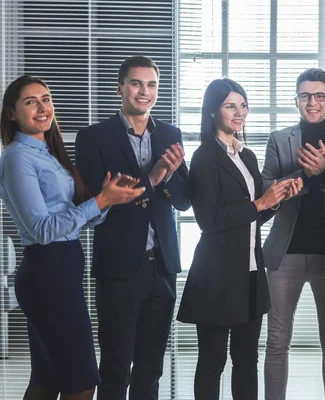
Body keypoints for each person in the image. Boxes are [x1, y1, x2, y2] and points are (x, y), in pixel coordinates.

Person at [0, 75, 144, 400]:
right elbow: (42, 229)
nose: (42, 107)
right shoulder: (17, 157)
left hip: (60, 273)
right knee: (81, 382)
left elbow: (69, 222)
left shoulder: (47, 153)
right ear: (12, 113)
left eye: (46, 99)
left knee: (47, 381)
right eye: (30, 101)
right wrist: (100, 201)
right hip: (47, 276)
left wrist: (107, 201)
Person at [176, 78, 301, 400]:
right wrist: (260, 202)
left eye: (243, 105)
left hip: (249, 274)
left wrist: (277, 198)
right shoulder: (204, 157)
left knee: (247, 360)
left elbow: (253, 218)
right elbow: (210, 220)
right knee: (212, 362)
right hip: (216, 275)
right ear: (213, 111)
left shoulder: (246, 156)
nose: (239, 112)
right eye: (230, 105)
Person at [75, 56, 190, 400]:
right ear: (120, 88)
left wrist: (167, 178)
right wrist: (152, 178)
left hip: (162, 265)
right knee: (115, 365)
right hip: (119, 268)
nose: (144, 91)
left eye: (151, 84)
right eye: (136, 83)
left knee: (151, 366)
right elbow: (100, 200)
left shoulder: (170, 134)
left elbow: (184, 201)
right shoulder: (93, 137)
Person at [261, 68, 325, 400]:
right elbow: (266, 191)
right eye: (305, 95)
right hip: (284, 254)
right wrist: (306, 174)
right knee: (277, 340)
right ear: (296, 100)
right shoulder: (279, 139)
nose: (312, 102)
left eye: (319, 95)